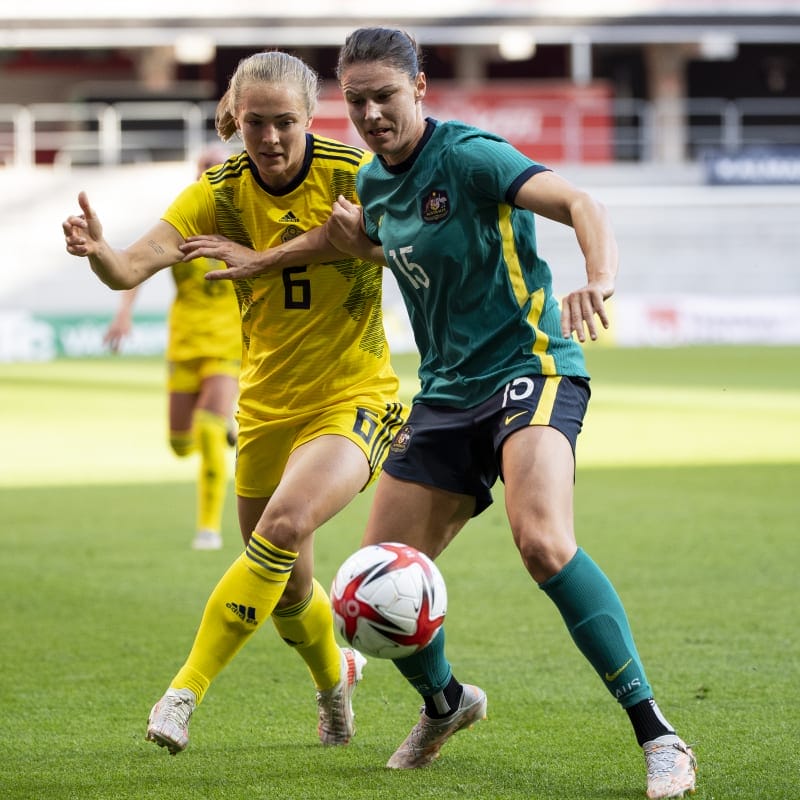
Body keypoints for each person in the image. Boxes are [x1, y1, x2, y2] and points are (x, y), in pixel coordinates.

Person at [192, 27, 698, 800]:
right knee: (367, 584)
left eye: (385, 97)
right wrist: (263, 261)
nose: (371, 115)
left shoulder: (469, 156)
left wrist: (599, 278)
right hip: (446, 395)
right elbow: (364, 246)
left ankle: (659, 735)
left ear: (420, 89)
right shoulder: (373, 183)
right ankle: (446, 703)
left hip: (529, 368)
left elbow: (579, 201)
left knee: (542, 542)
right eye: (356, 101)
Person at [62, 50, 405, 754]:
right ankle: (335, 679)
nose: (270, 138)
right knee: (287, 589)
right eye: (255, 123)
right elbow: (129, 267)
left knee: (282, 527)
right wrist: (99, 251)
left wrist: (364, 246)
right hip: (266, 408)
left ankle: (182, 693)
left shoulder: (356, 175)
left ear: (310, 117)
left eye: (285, 122)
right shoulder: (216, 194)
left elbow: (415, 251)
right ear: (236, 120)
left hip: (353, 396)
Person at [104, 147, 240, 551]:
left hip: (227, 343)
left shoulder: (243, 220)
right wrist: (123, 313)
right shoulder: (181, 222)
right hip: (184, 341)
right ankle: (225, 427)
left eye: (216, 168)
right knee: (180, 445)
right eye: (204, 168)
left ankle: (208, 529)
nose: (209, 174)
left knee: (208, 428)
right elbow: (140, 266)